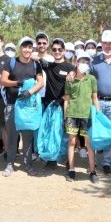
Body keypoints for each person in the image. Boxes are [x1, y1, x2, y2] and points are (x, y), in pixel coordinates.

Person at [0, 36, 44, 176]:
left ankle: (28, 165)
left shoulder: (36, 64)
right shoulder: (11, 62)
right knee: (12, 137)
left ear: (32, 49)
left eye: (30, 47)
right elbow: (3, 80)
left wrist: (29, 92)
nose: (27, 49)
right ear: (20, 48)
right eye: (24, 47)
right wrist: (18, 83)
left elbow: (40, 82)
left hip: (28, 108)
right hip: (12, 105)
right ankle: (10, 164)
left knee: (28, 138)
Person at [40, 38, 76, 169]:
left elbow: (76, 77)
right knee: (52, 133)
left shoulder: (70, 67)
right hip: (51, 105)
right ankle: (52, 159)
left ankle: (68, 158)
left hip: (65, 104)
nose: (57, 52)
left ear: (64, 51)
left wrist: (73, 72)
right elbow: (34, 56)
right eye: (54, 49)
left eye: (60, 49)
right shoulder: (48, 66)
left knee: (67, 133)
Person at [64, 52, 100, 183]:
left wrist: (98, 115)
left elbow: (95, 98)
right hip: (72, 115)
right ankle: (72, 170)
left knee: (89, 144)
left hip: (87, 115)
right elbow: (67, 99)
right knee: (72, 142)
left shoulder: (91, 79)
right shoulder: (70, 79)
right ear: (76, 62)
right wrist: (65, 116)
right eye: (81, 61)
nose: (84, 64)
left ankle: (92, 171)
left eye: (86, 62)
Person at [91, 30, 111, 174]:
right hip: (97, 102)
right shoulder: (94, 61)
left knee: (110, 133)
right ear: (101, 44)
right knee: (97, 132)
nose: (108, 46)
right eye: (105, 43)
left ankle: (107, 162)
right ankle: (94, 162)